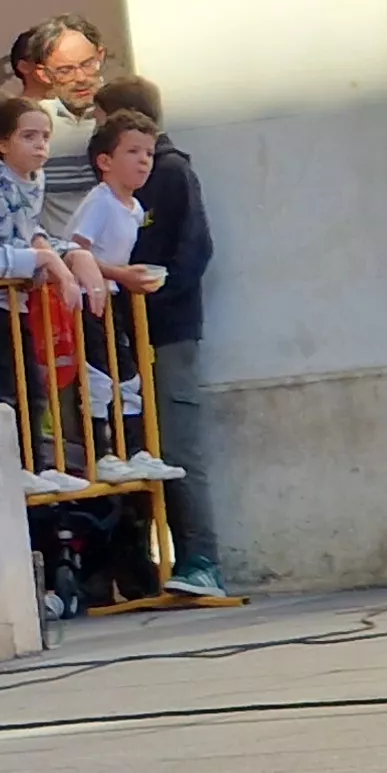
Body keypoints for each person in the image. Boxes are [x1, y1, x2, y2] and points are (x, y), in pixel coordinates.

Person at [95, 76, 226, 592]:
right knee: (135, 444)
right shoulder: (112, 189)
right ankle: (139, 565)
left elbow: (193, 250)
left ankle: (201, 559)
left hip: (166, 329)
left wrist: (154, 297)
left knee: (177, 441)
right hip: (125, 332)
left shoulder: (171, 174)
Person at [0, 95, 88, 491]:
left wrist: (68, 257)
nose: (40, 145)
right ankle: (19, 467)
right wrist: (47, 263)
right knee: (12, 389)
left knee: (33, 390)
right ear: (3, 143)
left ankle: (36, 465)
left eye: (45, 136)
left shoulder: (34, 181)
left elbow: (32, 231)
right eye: (28, 136)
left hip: (19, 302)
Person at [65, 110, 182, 485]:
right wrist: (119, 274)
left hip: (114, 297)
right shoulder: (99, 201)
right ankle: (101, 453)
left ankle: (134, 449)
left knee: (127, 374)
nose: (144, 160)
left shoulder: (134, 209)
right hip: (90, 297)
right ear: (105, 161)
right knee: (100, 375)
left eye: (148, 152)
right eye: (133, 151)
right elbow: (75, 249)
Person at [8, 16, 110, 239]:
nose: (81, 78)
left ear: (100, 56)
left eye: (87, 63)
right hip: (61, 264)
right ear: (43, 74)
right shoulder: (31, 127)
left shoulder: (124, 119)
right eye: (65, 70)